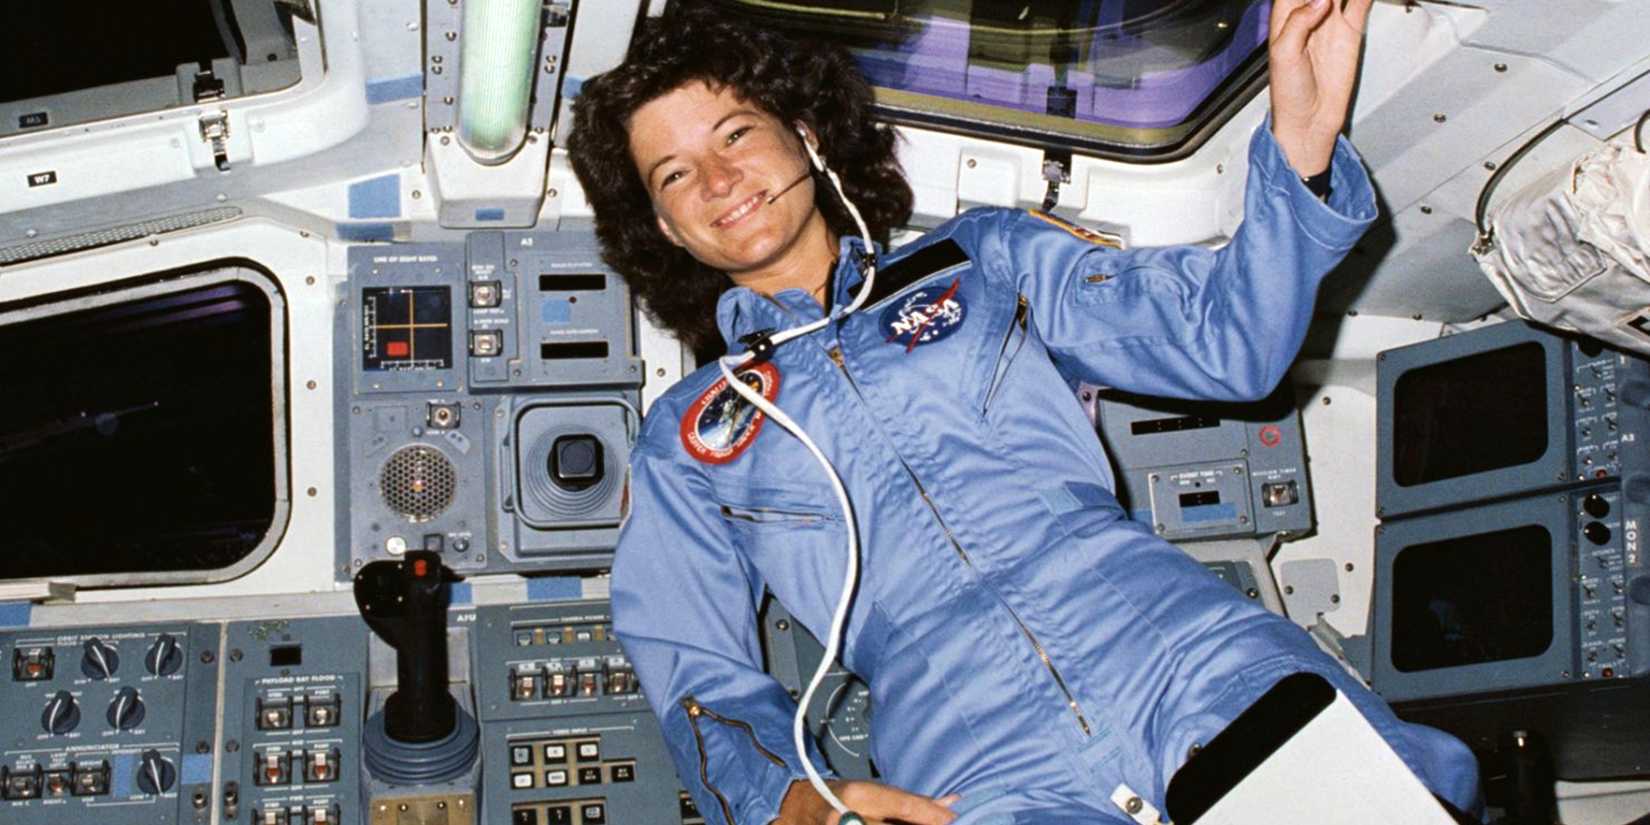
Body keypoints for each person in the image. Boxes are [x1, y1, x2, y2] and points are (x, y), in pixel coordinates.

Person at [567, 2, 1483, 823]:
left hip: (1179, 650)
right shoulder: (688, 431)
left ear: (804, 135)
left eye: (735, 133)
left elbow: (1224, 339)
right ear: (667, 228)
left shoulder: (982, 258)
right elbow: (689, 658)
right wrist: (785, 797)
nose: (719, 178)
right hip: (969, 758)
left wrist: (1299, 150)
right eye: (675, 175)